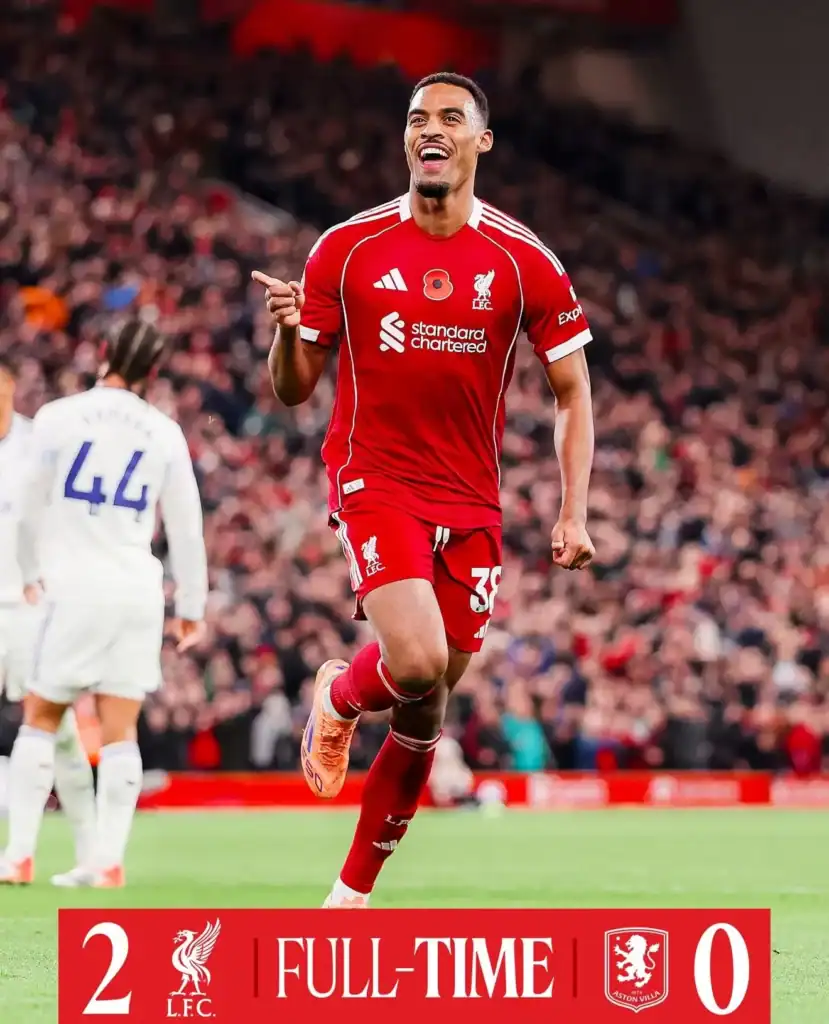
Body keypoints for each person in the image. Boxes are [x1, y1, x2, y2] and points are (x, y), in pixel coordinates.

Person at [253, 71, 595, 908]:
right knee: (415, 659)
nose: (429, 129)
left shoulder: (524, 262)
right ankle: (339, 695)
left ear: (481, 141)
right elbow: (295, 388)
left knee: (424, 710)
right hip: (376, 478)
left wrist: (572, 507)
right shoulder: (347, 247)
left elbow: (573, 392)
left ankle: (349, 899)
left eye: (449, 117)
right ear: (405, 140)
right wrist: (292, 336)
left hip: (472, 500)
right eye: (416, 119)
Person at [0, 321, 208, 887]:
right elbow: (187, 529)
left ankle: (19, 853)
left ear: (103, 356)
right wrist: (192, 605)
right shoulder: (164, 432)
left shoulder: (58, 418)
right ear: (155, 372)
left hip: (73, 584)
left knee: (40, 717)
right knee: (122, 731)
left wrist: (25, 573)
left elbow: (25, 507)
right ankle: (107, 861)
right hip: (137, 588)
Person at [0, 354, 97, 882]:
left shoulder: (41, 442)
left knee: (55, 731)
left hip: (28, 606)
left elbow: (67, 518)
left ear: (11, 384)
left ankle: (87, 855)